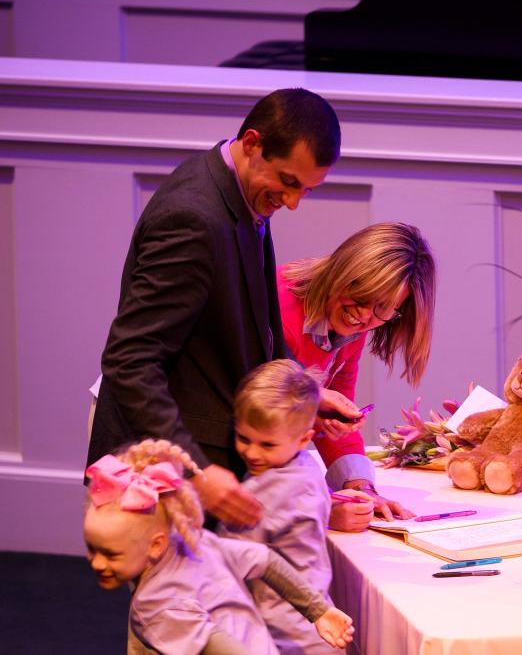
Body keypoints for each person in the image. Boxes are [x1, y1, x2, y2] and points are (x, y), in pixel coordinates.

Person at [87, 88, 357, 529]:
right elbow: (130, 359)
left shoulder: (242, 194)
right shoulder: (193, 217)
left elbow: (249, 325)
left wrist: (306, 393)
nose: (292, 202)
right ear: (252, 143)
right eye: (289, 182)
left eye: (306, 190)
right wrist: (196, 468)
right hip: (170, 469)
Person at [83, 439, 354, 653]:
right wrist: (318, 610)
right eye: (92, 549)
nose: (96, 563)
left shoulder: (156, 606)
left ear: (156, 545)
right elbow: (265, 560)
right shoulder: (196, 542)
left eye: (110, 554)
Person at [279, 222, 436, 531]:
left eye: (383, 310)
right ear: (343, 270)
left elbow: (337, 404)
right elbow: (254, 416)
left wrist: (362, 489)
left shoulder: (352, 325)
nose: (364, 316)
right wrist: (321, 509)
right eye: (361, 297)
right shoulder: (280, 305)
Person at [218, 359, 361, 653]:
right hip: (317, 627)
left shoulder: (259, 491)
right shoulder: (307, 467)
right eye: (243, 438)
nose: (251, 453)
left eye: (267, 445)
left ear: (304, 439)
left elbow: (228, 558)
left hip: (282, 633)